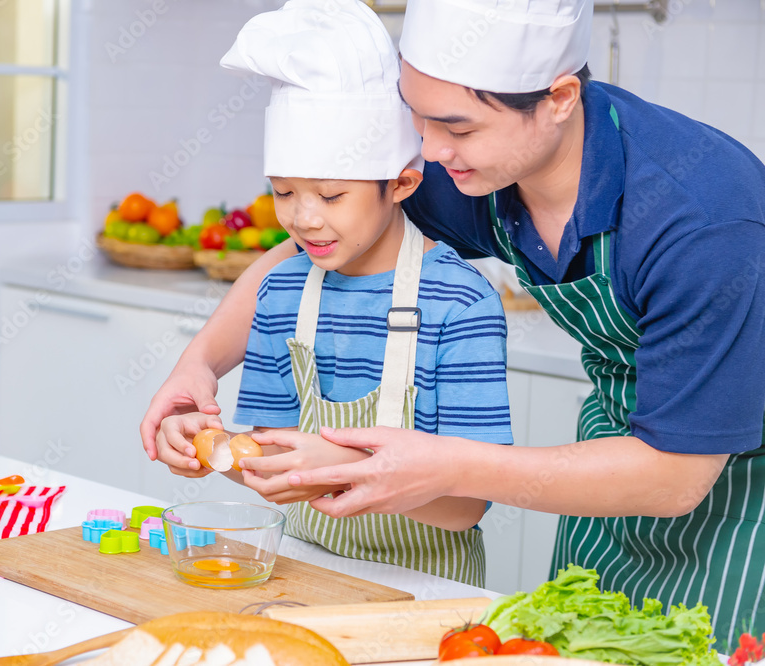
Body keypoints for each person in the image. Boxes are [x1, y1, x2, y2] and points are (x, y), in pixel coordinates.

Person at [141, 0, 765, 643]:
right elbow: (302, 255)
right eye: (417, 118)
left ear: (557, 98)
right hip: (609, 458)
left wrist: (443, 468)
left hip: (735, 487)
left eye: (455, 128)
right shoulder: (472, 164)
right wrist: (200, 364)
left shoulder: (705, 223)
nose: (431, 151)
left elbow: (675, 477)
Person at [151, 0, 513, 586]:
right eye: (284, 191)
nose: (304, 219)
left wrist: (345, 471)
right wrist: (209, 448)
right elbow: (267, 455)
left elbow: (467, 505)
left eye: (331, 195)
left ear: (401, 183)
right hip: (301, 574)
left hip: (425, 587)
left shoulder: (459, 304)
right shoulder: (280, 293)